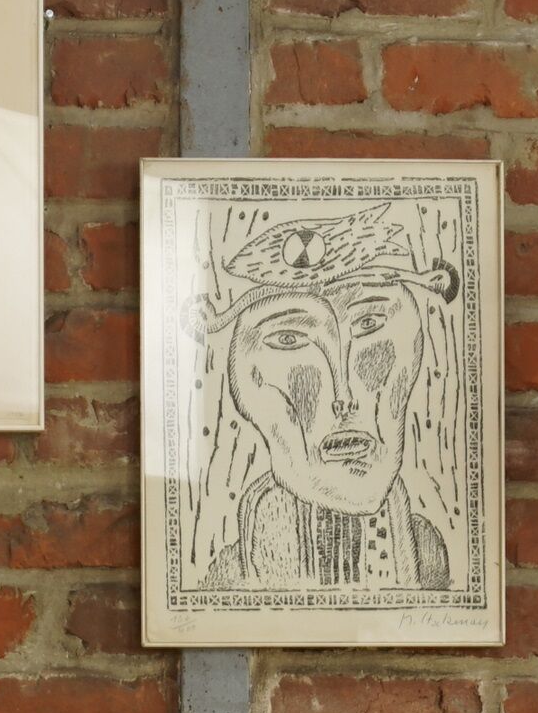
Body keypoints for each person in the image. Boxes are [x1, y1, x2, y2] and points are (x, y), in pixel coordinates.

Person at [192, 201, 464, 594]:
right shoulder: (227, 586)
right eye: (290, 340)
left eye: (369, 325)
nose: (344, 395)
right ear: (244, 382)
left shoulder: (431, 560)